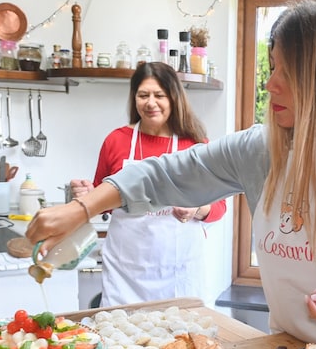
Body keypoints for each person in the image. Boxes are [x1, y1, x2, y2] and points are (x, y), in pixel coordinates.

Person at [28, 0, 316, 349]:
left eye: (286, 72)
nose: (270, 85)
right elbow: (165, 174)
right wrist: (82, 208)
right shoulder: (259, 150)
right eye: (271, 67)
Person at [69, 62, 227, 306]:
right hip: (126, 273)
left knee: (179, 339)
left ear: (174, 98)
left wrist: (196, 209)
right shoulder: (116, 141)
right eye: (143, 95)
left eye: (159, 95)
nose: (150, 103)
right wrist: (90, 194)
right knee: (120, 337)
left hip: (178, 272)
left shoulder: (194, 144)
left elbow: (219, 207)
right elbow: (104, 200)